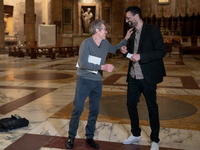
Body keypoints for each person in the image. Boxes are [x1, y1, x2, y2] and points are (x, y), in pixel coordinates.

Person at [66, 19, 133, 149]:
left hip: (97, 82)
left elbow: (115, 49)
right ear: (97, 31)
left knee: (94, 110)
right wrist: (102, 66)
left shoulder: (105, 43)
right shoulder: (86, 44)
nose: (106, 31)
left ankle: (89, 136)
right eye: (104, 29)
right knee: (78, 108)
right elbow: (83, 64)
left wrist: (125, 39)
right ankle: (71, 136)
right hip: (84, 80)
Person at [120, 6, 166, 150]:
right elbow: (132, 55)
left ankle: (155, 140)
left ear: (136, 16)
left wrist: (142, 56)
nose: (127, 21)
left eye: (128, 18)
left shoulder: (153, 30)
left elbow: (161, 52)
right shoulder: (132, 33)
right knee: (130, 104)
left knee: (152, 107)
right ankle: (135, 134)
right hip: (133, 76)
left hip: (148, 76)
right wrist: (125, 52)